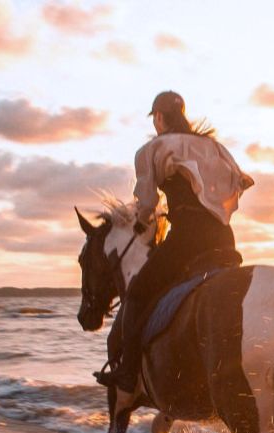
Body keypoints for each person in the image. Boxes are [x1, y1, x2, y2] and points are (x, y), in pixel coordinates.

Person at [95, 91, 254, 393]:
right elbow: (241, 182)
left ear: (158, 117)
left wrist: (143, 220)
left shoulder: (153, 149)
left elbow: (146, 200)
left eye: (155, 118)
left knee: (139, 293)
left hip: (186, 241)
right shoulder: (214, 147)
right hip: (223, 238)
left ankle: (128, 372)